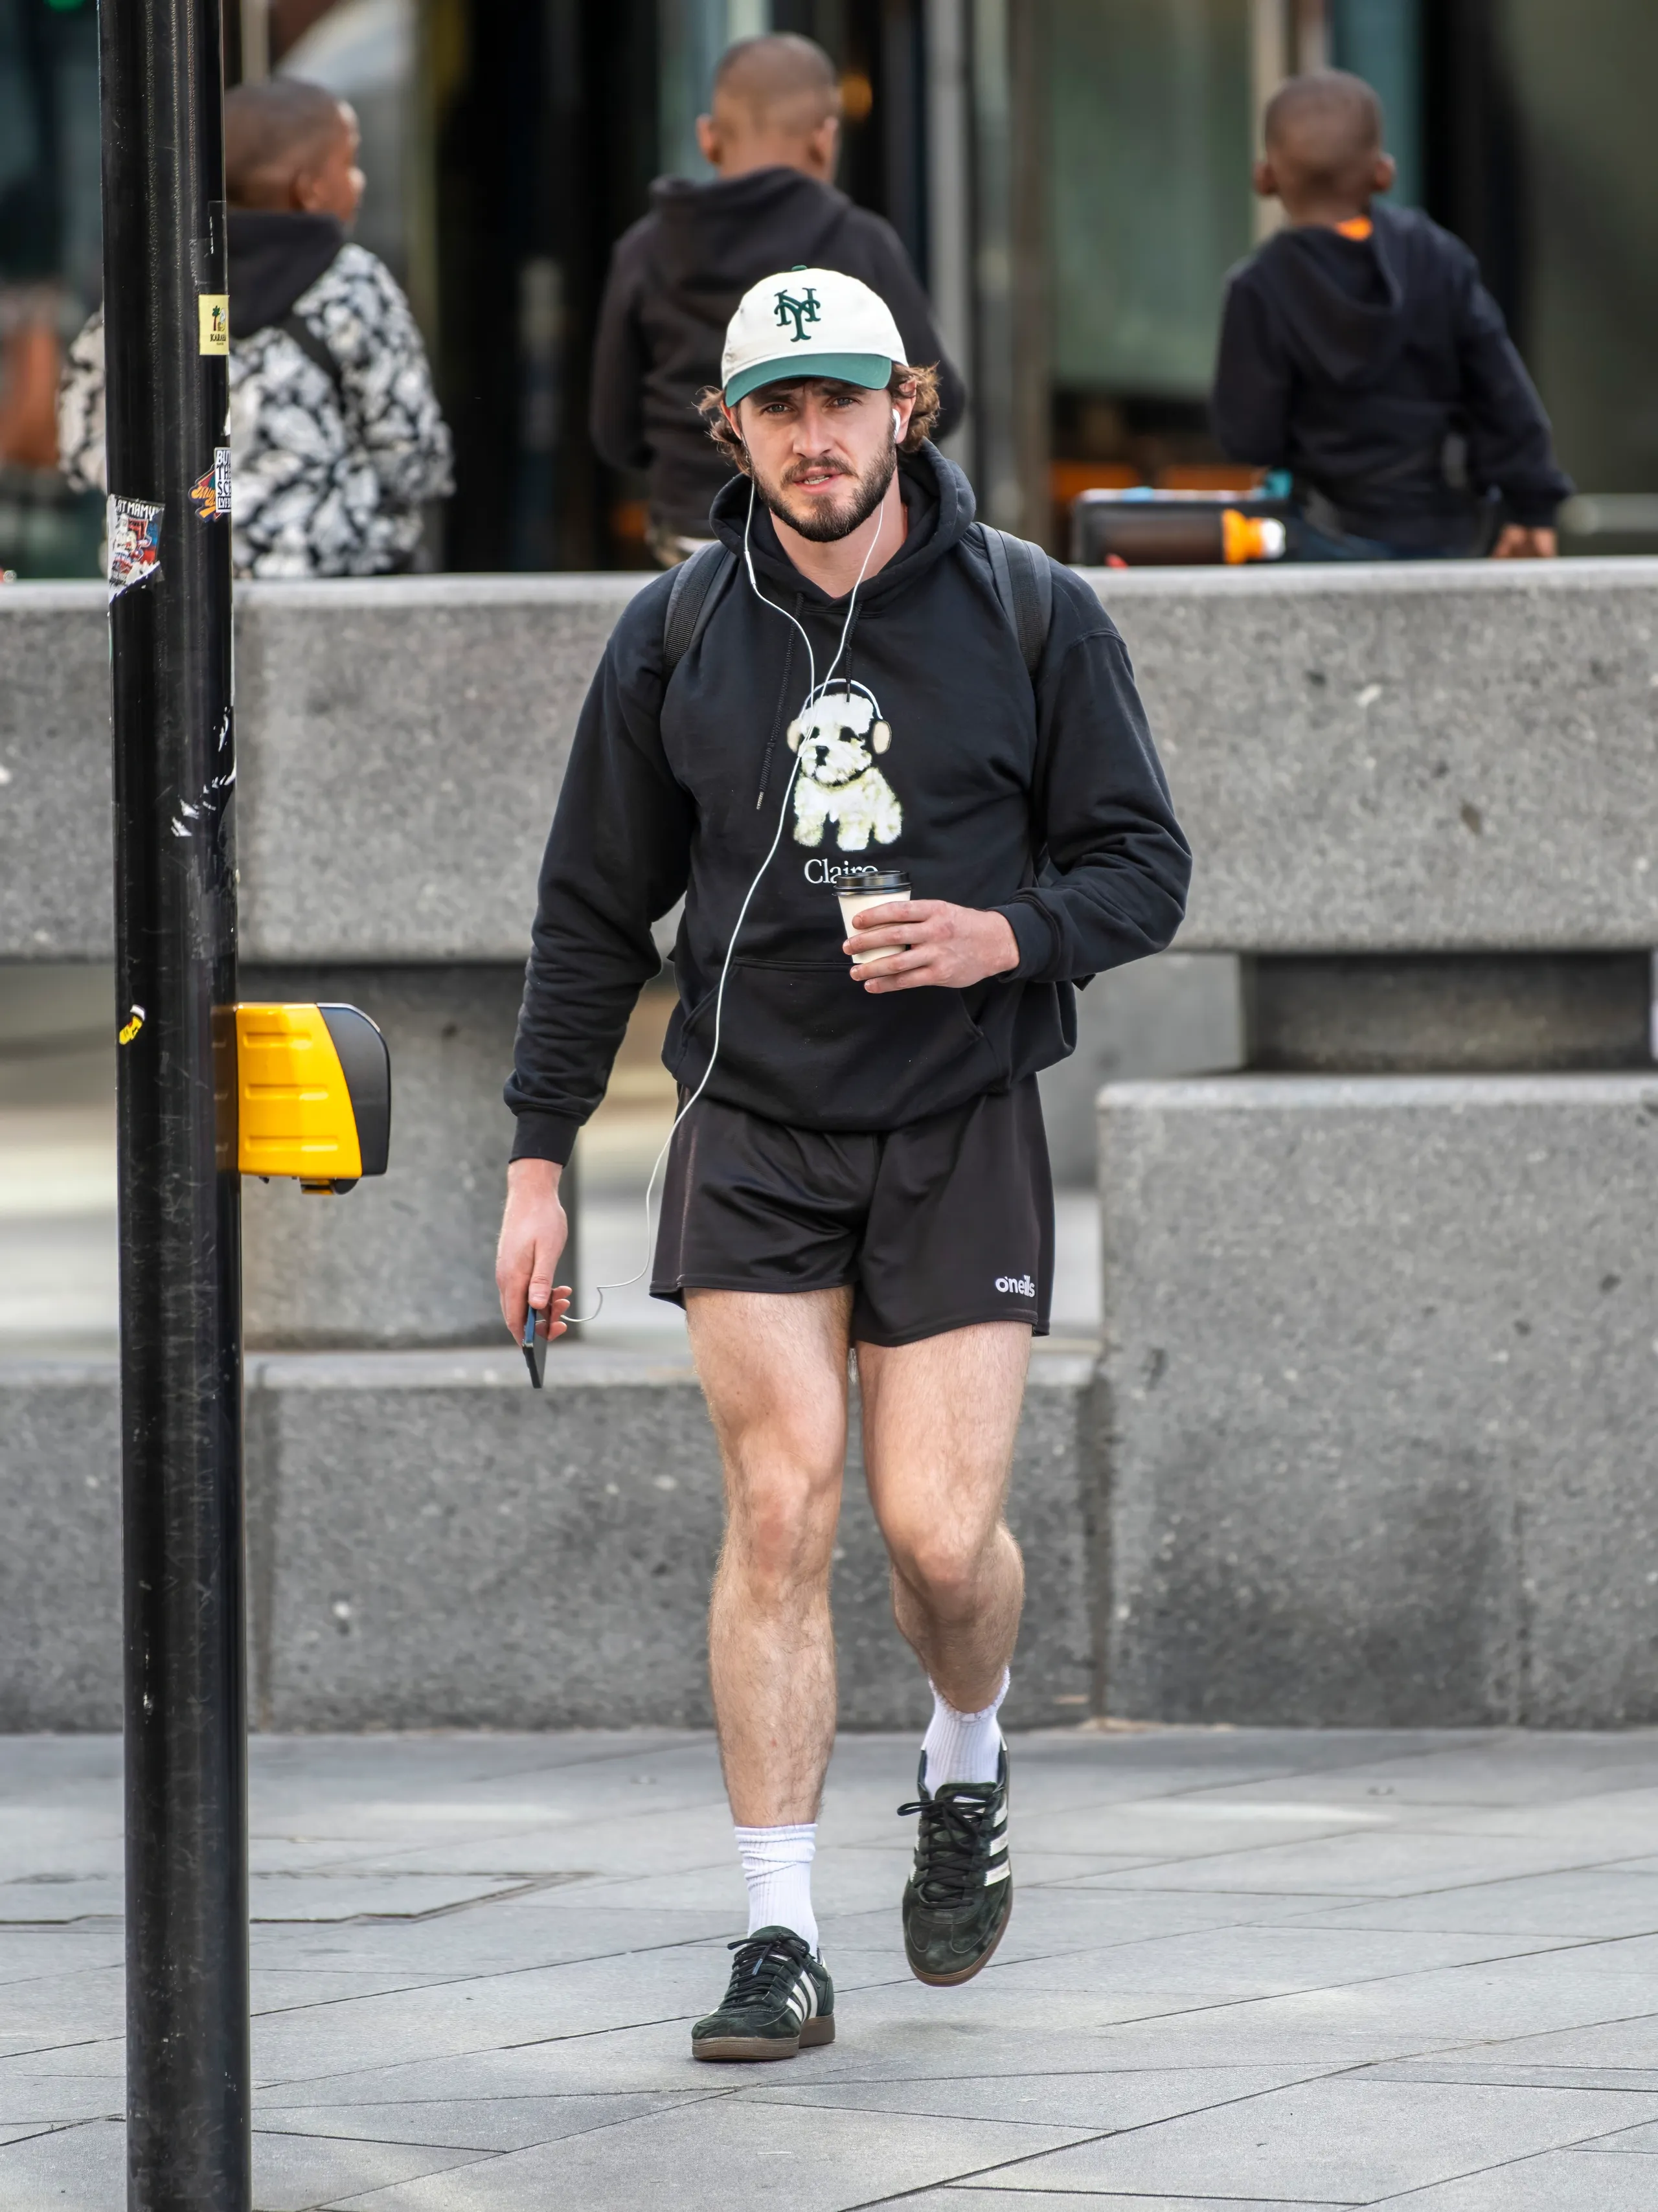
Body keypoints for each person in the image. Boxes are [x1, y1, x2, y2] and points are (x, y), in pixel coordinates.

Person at [497, 268, 1189, 2060]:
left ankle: (967, 1753)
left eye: (846, 401)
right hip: (754, 1122)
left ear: (911, 405)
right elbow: (589, 914)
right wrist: (535, 1162)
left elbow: (1145, 870)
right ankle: (779, 1931)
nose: (818, 437)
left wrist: (1002, 939)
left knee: (939, 1537)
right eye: (780, 407)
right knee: (785, 1507)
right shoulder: (673, 633)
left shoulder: (1031, 615)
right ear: (734, 429)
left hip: (958, 1120)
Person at [591, 32, 965, 566]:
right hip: (834, 543)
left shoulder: (646, 250)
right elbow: (939, 402)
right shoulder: (860, 242)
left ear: (708, 138)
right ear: (825, 138)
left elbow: (615, 434)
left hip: (689, 546)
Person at [58, 78, 451, 578]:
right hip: (326, 584)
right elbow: (411, 454)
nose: (359, 181)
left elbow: (81, 436)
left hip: (160, 581)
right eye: (349, 164)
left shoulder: (150, 286)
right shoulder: (350, 284)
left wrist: (184, 503)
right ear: (309, 191)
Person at [1211, 69, 1571, 561]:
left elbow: (1248, 437)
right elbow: (1502, 390)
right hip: (1449, 531)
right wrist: (1533, 506)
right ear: (1383, 172)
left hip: (1325, 534)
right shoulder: (1438, 257)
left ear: (1265, 177)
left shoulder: (1258, 289)